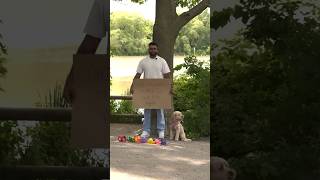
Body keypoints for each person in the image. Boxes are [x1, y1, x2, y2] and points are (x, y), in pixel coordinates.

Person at [63, 0, 108, 103]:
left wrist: (72, 78)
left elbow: (88, 46)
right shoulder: (103, 2)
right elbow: (88, 47)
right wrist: (72, 78)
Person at [130, 42, 171, 139]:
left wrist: (170, 87)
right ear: (148, 50)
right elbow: (137, 75)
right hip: (147, 90)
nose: (153, 50)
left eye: (154, 49)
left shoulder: (162, 61)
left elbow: (167, 76)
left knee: (160, 110)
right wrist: (132, 86)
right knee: (147, 110)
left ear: (157, 50)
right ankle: (146, 131)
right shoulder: (143, 61)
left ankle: (161, 131)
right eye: (151, 49)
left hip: (159, 89)